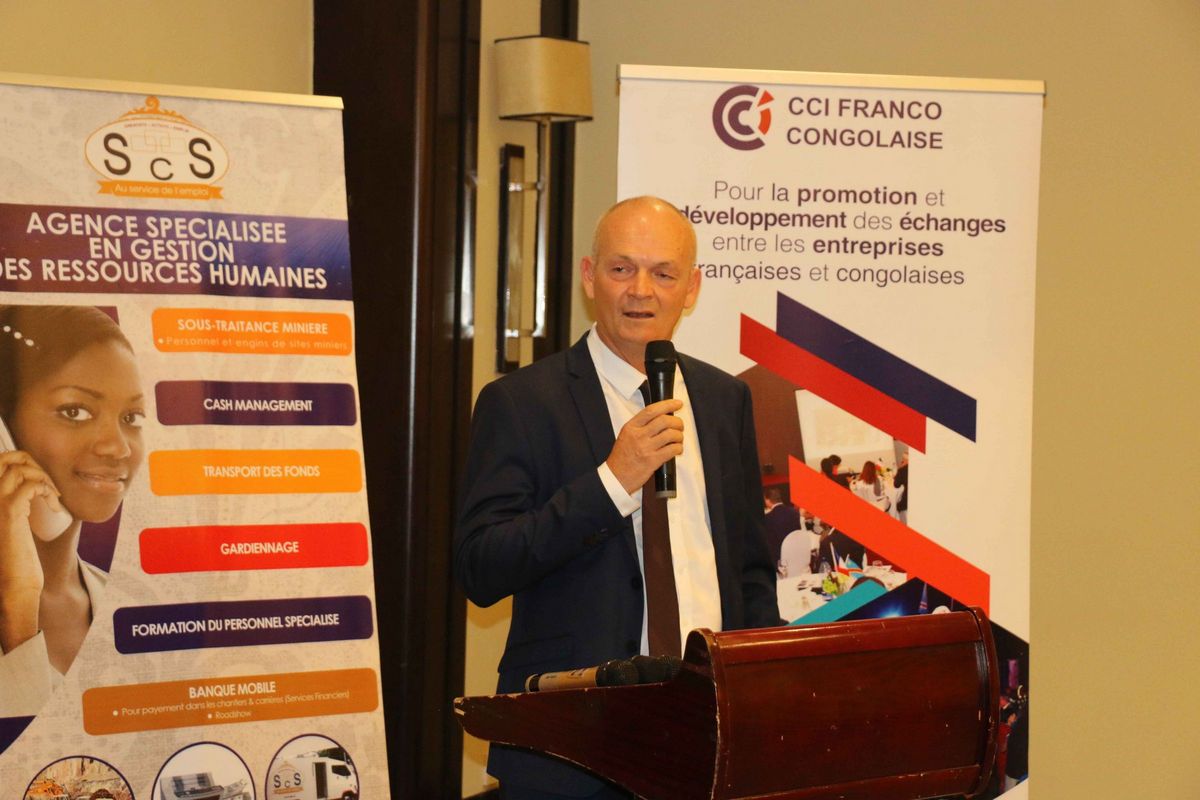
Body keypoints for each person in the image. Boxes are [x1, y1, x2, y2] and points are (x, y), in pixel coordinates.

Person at [455, 197, 781, 799]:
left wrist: (767, 699)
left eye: (664, 273)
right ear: (589, 276)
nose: (641, 291)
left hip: (712, 735)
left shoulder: (723, 399)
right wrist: (612, 481)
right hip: (575, 740)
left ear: (691, 288)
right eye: (621, 268)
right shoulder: (521, 402)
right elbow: (481, 566)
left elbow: (750, 572)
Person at [0, 305, 145, 717]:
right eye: (75, 412)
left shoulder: (125, 601)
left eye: (131, 417)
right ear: (4, 431)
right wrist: (17, 606)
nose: (118, 447)